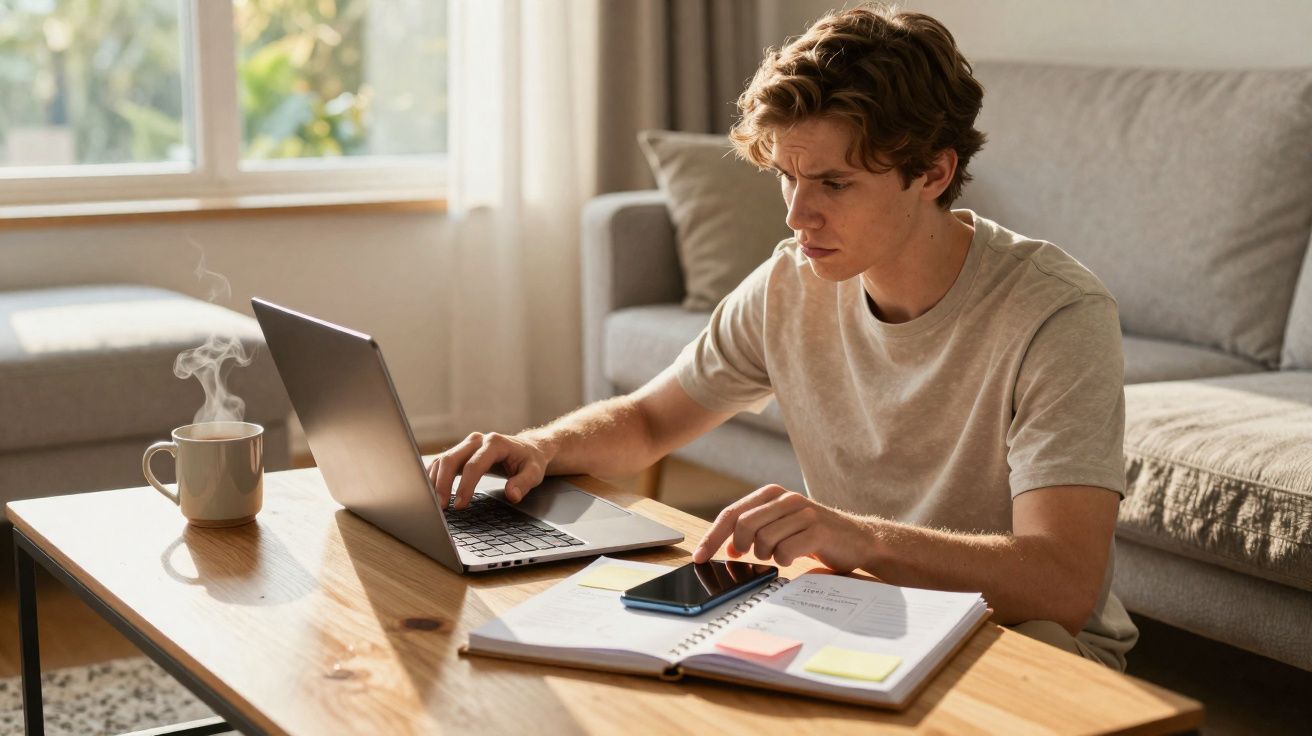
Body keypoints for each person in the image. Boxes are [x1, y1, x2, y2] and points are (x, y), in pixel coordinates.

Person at [428, 3, 1138, 670]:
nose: (799, 216)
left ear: (933, 171)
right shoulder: (788, 283)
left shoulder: (1056, 314)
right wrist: (540, 447)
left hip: (1022, 635)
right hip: (855, 611)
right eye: (787, 178)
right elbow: (648, 421)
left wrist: (859, 536)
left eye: (833, 183)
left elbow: (1062, 583)